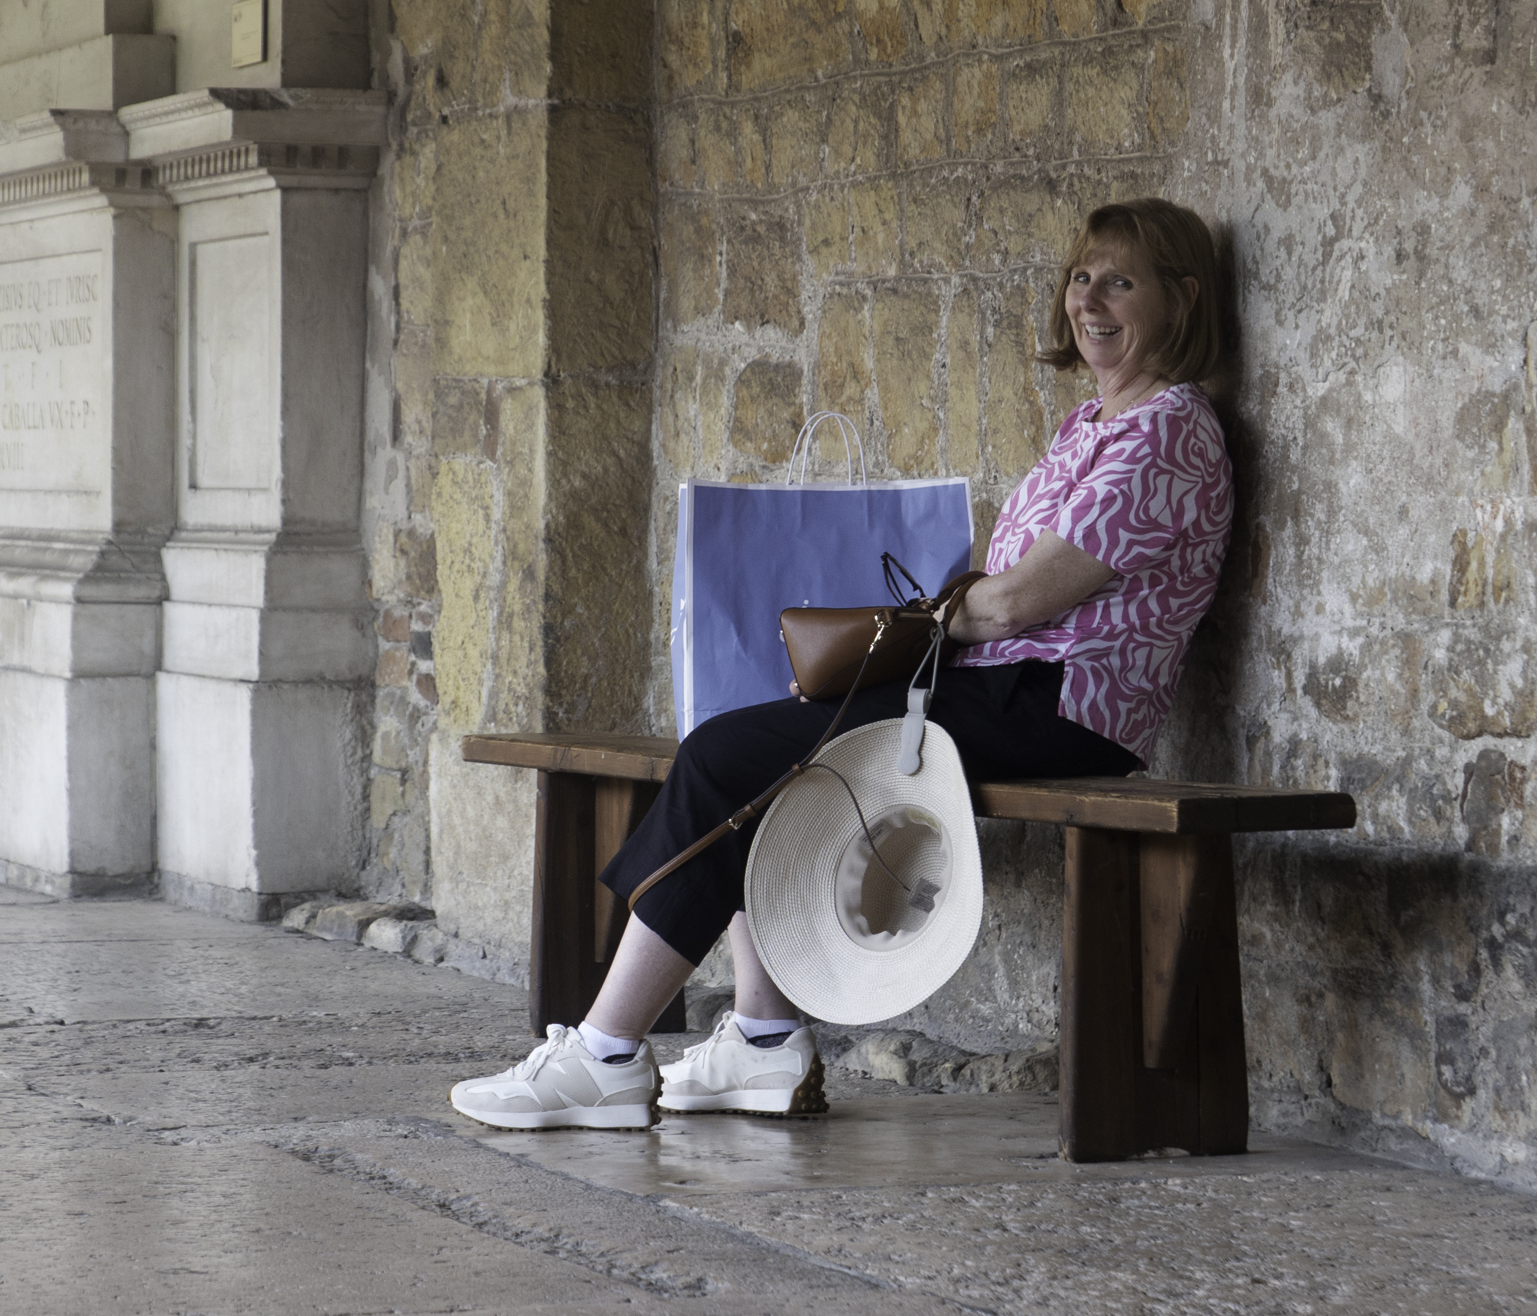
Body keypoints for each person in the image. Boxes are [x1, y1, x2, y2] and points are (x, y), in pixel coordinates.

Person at [448, 197, 1236, 1131]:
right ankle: (763, 1039)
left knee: (724, 757)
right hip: (997, 686)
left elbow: (1023, 600)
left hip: (1059, 706)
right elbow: (999, 592)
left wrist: (948, 615)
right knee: (749, 747)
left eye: (1121, 280)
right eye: (1081, 276)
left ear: (1182, 299)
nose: (1089, 299)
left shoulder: (1170, 429)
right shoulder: (1091, 425)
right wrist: (960, 612)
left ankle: (609, 1054)